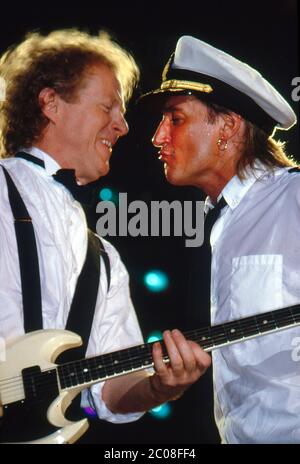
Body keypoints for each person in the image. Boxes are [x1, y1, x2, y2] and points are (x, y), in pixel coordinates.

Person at [0, 30, 211, 443]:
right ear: (51, 103)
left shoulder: (104, 258)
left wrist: (160, 387)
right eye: (107, 106)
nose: (124, 125)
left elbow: (109, 392)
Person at [141, 35, 300, 443]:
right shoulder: (224, 221)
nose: (158, 137)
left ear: (227, 126)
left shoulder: (293, 198)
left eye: (175, 119)